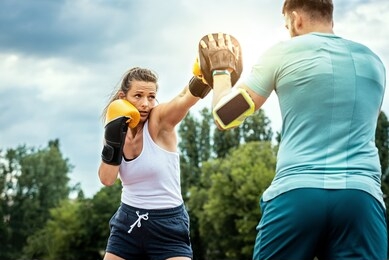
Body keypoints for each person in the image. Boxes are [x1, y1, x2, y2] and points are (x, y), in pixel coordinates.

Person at [205, 0, 387, 259]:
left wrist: (221, 71)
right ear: (331, 20)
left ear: (296, 19)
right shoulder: (374, 62)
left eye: (287, 25)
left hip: (297, 194)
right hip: (360, 197)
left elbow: (225, 116)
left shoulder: (281, 53)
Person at [98, 66, 211, 260]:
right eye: (138, 96)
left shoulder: (159, 120)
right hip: (128, 222)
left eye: (151, 96)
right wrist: (113, 138)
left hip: (168, 224)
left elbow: (183, 99)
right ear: (122, 97)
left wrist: (205, 76)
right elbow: (107, 179)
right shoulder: (116, 129)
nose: (145, 104)